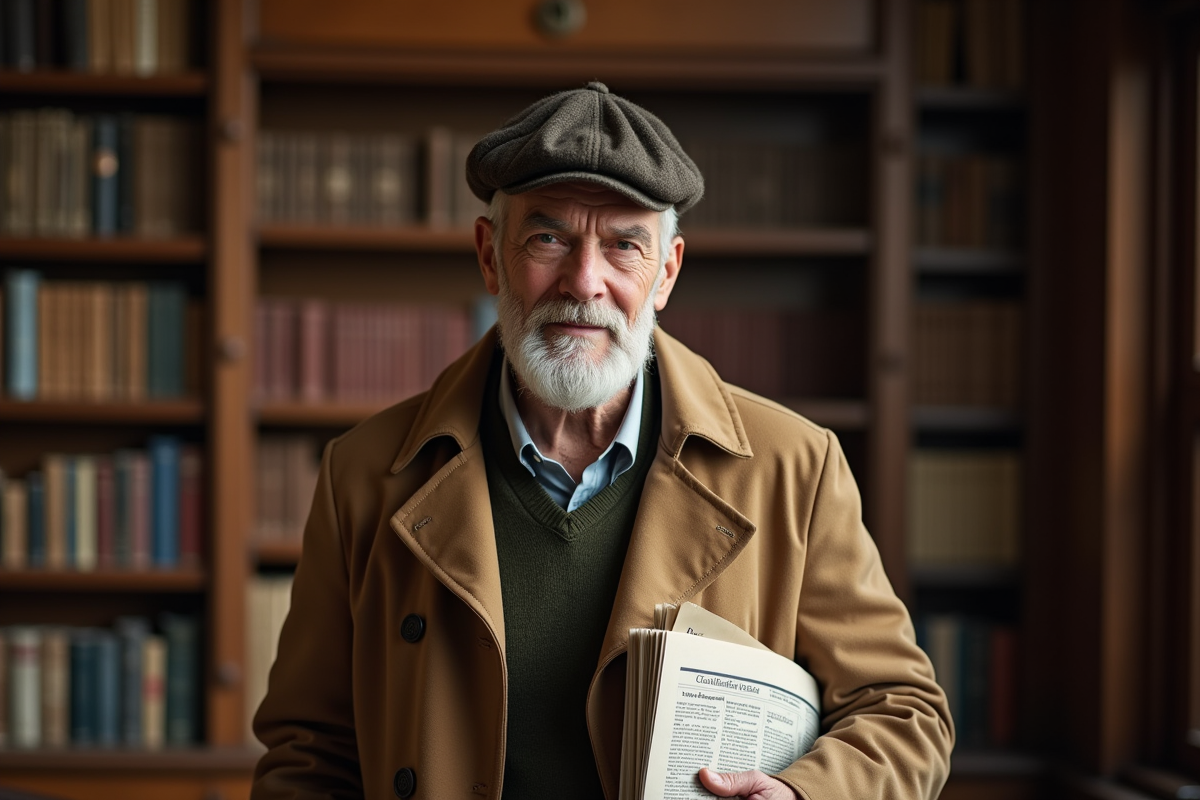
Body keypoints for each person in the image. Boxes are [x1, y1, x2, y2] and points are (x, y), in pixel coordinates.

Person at [251, 82, 953, 800]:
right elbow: (310, 751)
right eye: (548, 238)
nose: (584, 282)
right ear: (490, 254)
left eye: (624, 246)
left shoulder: (794, 470)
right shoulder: (364, 472)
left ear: (666, 273)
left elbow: (904, 715)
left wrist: (806, 796)